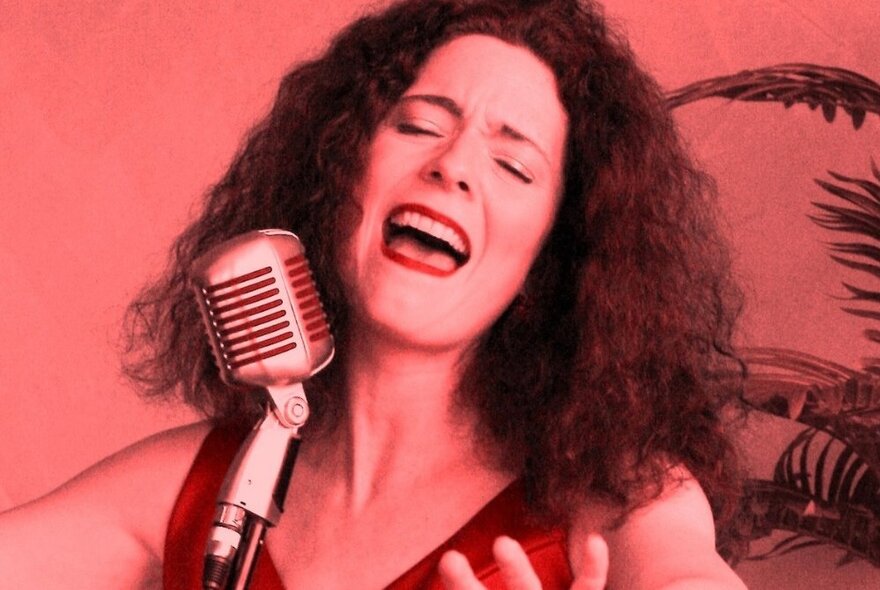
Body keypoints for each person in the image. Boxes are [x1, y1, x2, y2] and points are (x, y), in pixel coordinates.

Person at [0, 0, 748, 588]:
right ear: (337, 172)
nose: (453, 165)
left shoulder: (624, 497)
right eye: (420, 125)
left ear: (553, 260)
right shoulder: (200, 481)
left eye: (513, 166)